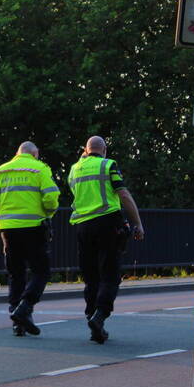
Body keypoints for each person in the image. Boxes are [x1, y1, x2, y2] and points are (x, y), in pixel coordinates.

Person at [67, 136, 145, 344]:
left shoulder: (74, 169)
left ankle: (92, 320)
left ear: (85, 150)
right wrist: (137, 223)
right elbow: (123, 195)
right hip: (108, 223)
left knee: (91, 277)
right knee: (110, 274)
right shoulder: (108, 165)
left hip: (83, 227)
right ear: (105, 150)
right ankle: (100, 315)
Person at [0, 141, 60, 336]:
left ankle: (18, 323)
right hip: (33, 228)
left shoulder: (0, 171)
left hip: (8, 230)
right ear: (35, 153)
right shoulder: (40, 169)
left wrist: (0, 215)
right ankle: (25, 307)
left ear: (18, 153)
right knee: (41, 271)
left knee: (16, 274)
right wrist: (47, 214)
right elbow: (51, 198)